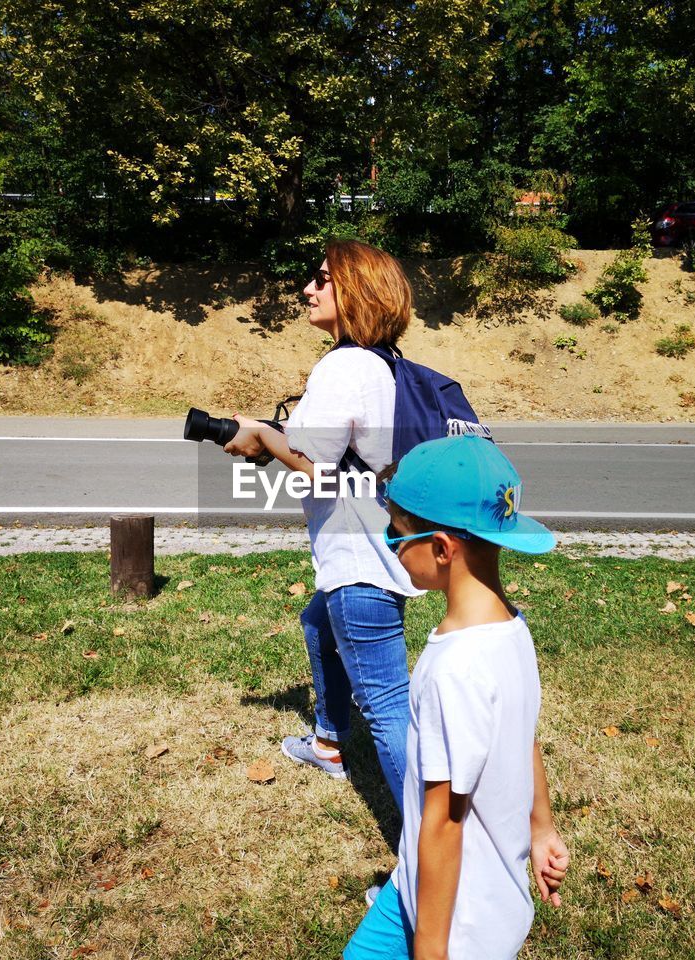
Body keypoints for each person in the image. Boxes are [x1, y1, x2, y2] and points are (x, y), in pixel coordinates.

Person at [344, 434, 570, 960]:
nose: (392, 545)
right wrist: (543, 828)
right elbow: (524, 738)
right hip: (415, 887)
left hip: (458, 925)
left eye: (397, 533)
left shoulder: (455, 669)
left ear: (443, 548)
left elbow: (445, 819)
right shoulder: (512, 629)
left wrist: (430, 949)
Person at [223, 240, 419, 811]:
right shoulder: (387, 365)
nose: (308, 289)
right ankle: (330, 742)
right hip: (385, 542)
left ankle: (435, 865)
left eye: (321, 279)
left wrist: (261, 437)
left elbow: (322, 473)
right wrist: (269, 441)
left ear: (355, 291)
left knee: (386, 704)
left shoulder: (343, 364)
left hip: (359, 558)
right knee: (318, 622)